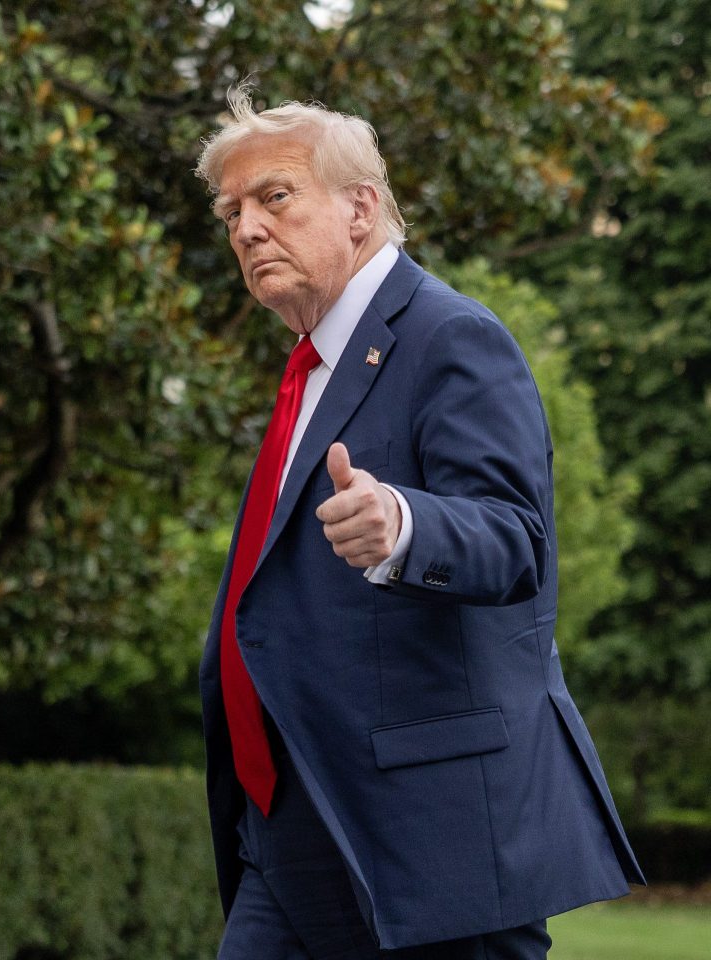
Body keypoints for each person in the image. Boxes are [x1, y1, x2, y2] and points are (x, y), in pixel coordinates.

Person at [194, 83, 644, 959]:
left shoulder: (450, 336)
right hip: (291, 827)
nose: (246, 228)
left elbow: (516, 540)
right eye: (232, 210)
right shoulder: (308, 370)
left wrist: (403, 524)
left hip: (427, 836)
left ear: (360, 207)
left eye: (274, 197)